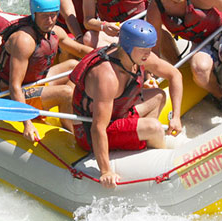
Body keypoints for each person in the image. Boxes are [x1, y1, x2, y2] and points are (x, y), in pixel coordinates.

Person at [71, 19, 183, 188]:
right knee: (153, 126)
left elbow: (175, 75)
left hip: (117, 114)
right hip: (88, 132)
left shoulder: (136, 55)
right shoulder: (107, 77)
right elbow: (98, 128)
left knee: (158, 96)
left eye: (150, 48)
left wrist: (176, 117)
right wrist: (106, 171)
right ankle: (160, 159)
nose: (148, 54)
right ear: (129, 47)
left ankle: (143, 146)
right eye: (144, 50)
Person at [0, 0, 93, 142]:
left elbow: (80, 50)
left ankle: (72, 108)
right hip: (10, 95)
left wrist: (107, 55)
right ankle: (75, 134)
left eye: (53, 14)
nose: (50, 20)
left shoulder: (56, 32)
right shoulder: (24, 40)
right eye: (45, 16)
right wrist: (26, 123)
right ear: (34, 15)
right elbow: (15, 87)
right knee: (66, 92)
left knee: (73, 65)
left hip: (36, 83)